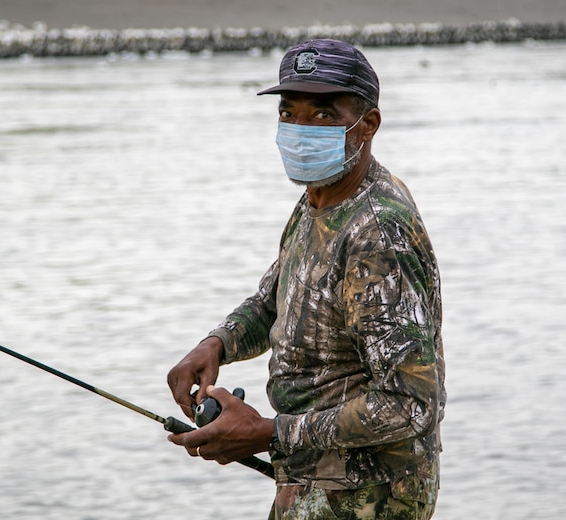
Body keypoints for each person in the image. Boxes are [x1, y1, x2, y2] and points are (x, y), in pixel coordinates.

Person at [167, 38, 445, 520]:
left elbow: (411, 403)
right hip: (310, 480)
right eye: (288, 113)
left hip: (371, 495)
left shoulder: (378, 234)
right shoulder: (320, 197)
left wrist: (268, 433)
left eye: (322, 115)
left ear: (368, 125)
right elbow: (276, 299)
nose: (299, 129)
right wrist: (215, 345)